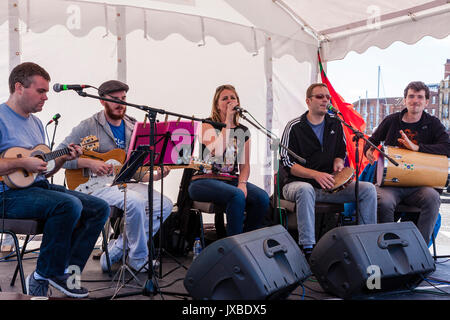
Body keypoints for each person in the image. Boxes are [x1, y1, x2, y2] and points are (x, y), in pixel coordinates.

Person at [0, 62, 110, 298]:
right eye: (41, 91)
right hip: (6, 196)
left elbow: (43, 171)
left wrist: (61, 160)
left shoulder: (36, 122)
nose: (46, 97)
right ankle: (50, 272)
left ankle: (64, 275)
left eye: (47, 91)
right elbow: (25, 167)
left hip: (37, 189)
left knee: (99, 208)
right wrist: (21, 163)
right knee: (68, 204)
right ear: (19, 87)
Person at [58, 80, 173, 273]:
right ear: (102, 101)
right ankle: (138, 258)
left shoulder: (133, 126)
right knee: (134, 202)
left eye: (123, 98)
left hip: (121, 183)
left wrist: (154, 175)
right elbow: (58, 155)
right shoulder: (88, 126)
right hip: (92, 187)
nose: (121, 103)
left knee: (164, 204)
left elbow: (130, 169)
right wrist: (88, 162)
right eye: (114, 99)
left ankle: (117, 249)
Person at [280, 83, 377, 260]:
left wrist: (338, 163)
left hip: (328, 186)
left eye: (327, 97)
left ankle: (366, 244)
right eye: (320, 96)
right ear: (308, 101)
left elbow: (341, 152)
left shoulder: (335, 123)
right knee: (305, 189)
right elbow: (287, 162)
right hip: (296, 186)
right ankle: (308, 249)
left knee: (367, 189)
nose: (325, 100)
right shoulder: (294, 126)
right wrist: (315, 174)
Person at [365, 81, 450, 245]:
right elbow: (372, 141)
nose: (415, 100)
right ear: (405, 100)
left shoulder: (433, 124)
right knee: (384, 202)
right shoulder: (391, 121)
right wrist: (369, 149)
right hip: (390, 184)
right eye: (411, 96)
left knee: (432, 198)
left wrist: (417, 148)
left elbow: (447, 147)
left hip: (419, 185)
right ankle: (387, 247)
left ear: (426, 101)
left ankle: (419, 250)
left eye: (420, 97)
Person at [188, 84, 269, 236]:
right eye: (225, 98)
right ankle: (234, 244)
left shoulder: (243, 131)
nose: (229, 101)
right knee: (236, 195)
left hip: (230, 180)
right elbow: (217, 151)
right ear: (217, 105)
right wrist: (228, 122)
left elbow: (244, 165)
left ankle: (247, 238)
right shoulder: (207, 124)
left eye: (233, 98)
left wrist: (242, 183)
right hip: (203, 181)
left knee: (262, 198)